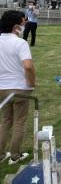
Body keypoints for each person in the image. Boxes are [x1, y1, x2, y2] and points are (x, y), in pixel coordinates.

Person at [0, 10, 36, 165]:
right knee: (19, 122)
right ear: (16, 26)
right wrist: (31, 83)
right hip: (20, 88)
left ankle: (1, 154)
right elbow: (28, 66)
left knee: (6, 121)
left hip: (2, 87)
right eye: (23, 23)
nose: (24, 25)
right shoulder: (20, 43)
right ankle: (15, 155)